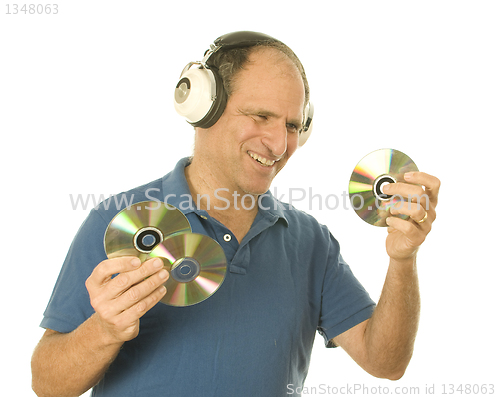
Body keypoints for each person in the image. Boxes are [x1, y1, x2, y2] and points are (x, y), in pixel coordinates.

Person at [31, 31, 440, 397]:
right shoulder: (120, 220)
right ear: (204, 107)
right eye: (261, 116)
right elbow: (46, 384)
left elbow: (385, 363)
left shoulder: (311, 241)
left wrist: (402, 259)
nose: (279, 143)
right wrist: (104, 330)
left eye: (294, 125)